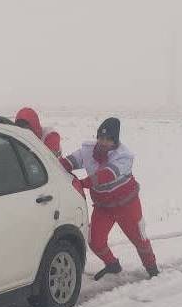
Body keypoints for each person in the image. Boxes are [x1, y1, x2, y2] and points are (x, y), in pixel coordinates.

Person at [59, 117, 159, 281]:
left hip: (127, 205)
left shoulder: (124, 156)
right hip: (103, 207)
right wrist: (54, 166)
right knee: (95, 241)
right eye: (101, 137)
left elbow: (107, 174)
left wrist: (83, 182)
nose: (103, 142)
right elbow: (69, 162)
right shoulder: (87, 150)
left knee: (140, 240)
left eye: (108, 139)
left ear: (115, 141)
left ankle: (152, 269)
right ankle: (112, 265)